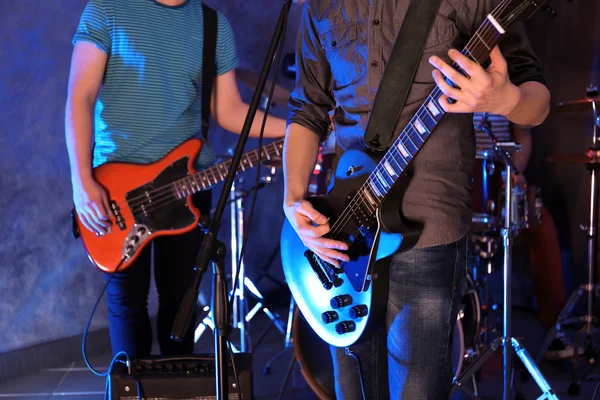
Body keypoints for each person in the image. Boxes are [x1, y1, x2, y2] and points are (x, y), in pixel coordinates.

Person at [283, 0, 550, 398]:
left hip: (428, 228)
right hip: (344, 229)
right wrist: (292, 199)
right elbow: (307, 111)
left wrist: (502, 101)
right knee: (351, 391)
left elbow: (538, 100)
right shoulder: (320, 6)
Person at [65, 0, 286, 357]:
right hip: (115, 189)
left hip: (187, 186)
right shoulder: (107, 9)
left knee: (180, 302)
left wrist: (296, 130)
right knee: (128, 304)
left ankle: (177, 391)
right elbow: (80, 96)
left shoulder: (213, 25)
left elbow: (227, 110)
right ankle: (130, 392)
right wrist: (80, 181)